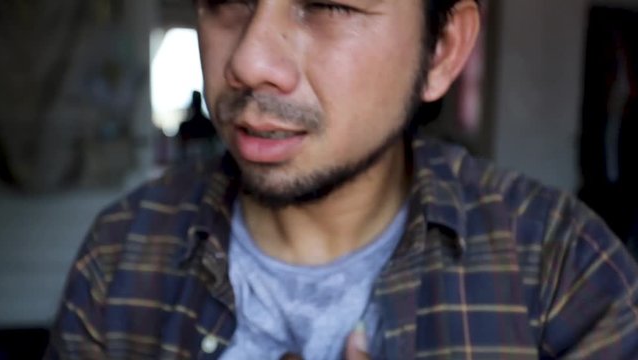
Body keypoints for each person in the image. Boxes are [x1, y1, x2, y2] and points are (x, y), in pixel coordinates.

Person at [46, 0, 638, 359]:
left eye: (328, 4)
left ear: (441, 50)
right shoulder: (120, 254)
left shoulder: (562, 267)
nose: (248, 62)